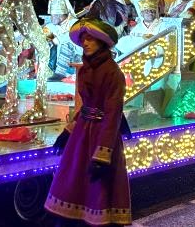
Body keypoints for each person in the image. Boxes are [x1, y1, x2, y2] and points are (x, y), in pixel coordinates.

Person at [45, 18, 131, 226]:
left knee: (97, 190)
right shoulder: (84, 69)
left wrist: (103, 155)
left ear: (102, 42)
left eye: (91, 39)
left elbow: (112, 115)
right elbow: (85, 107)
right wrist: (68, 131)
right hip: (82, 134)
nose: (86, 43)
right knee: (74, 182)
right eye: (83, 39)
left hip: (103, 136)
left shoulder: (113, 73)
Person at [43, 0, 81, 82]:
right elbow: (45, 31)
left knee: (66, 45)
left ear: (59, 16)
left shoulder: (75, 24)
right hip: (57, 61)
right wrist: (51, 38)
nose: (51, 18)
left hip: (78, 57)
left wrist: (55, 38)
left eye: (52, 15)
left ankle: (59, 74)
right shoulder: (51, 26)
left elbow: (59, 41)